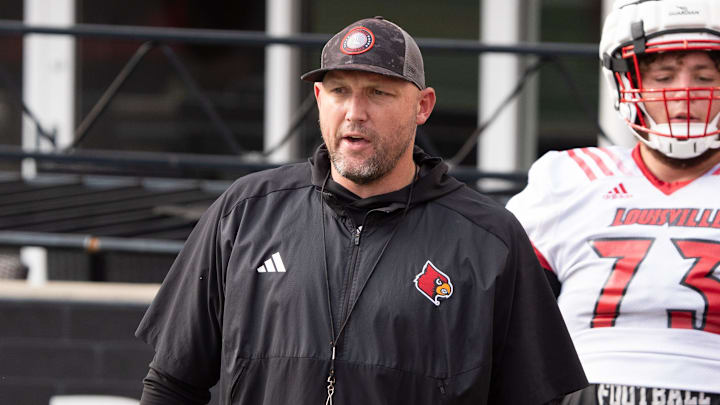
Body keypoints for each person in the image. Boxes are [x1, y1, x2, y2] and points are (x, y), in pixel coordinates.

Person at [136, 16, 587, 405]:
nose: (355, 112)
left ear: (422, 107)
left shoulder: (490, 239)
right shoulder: (245, 212)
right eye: (339, 91)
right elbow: (172, 384)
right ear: (318, 99)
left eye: (378, 93)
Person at [506, 1, 720, 404]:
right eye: (663, 76)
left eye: (704, 76)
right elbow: (500, 313)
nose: (684, 92)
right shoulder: (571, 177)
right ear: (629, 85)